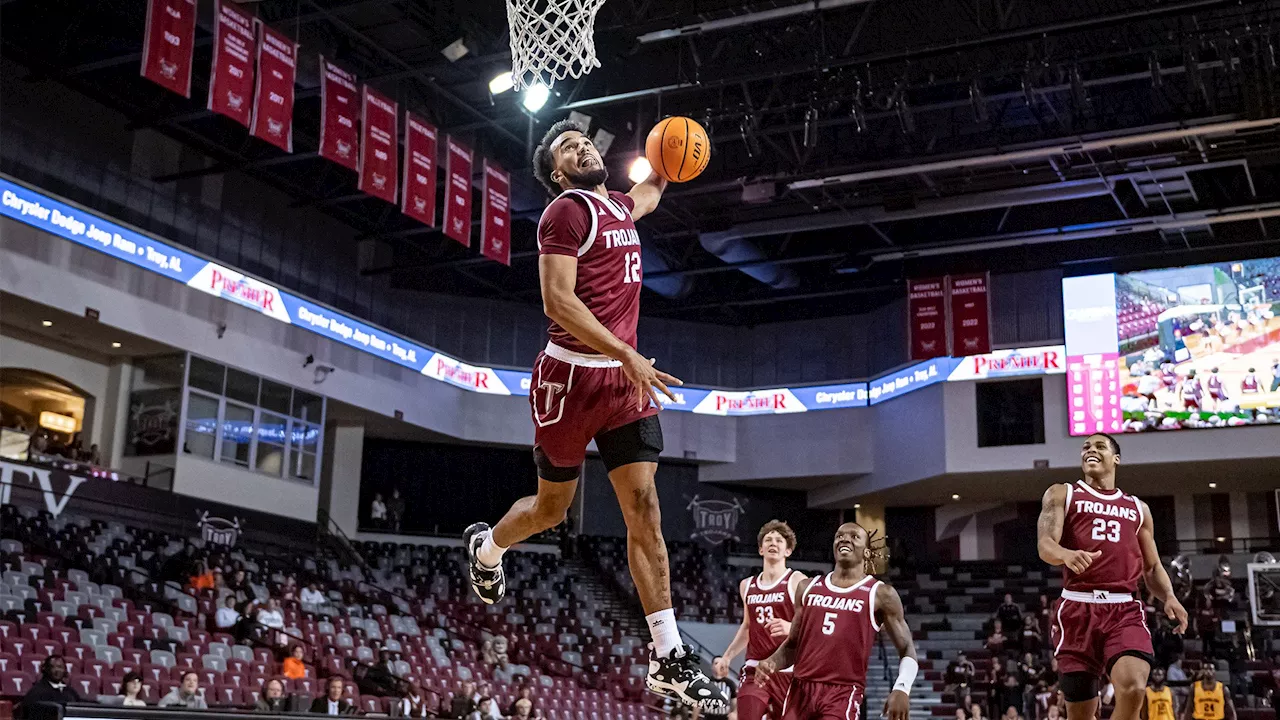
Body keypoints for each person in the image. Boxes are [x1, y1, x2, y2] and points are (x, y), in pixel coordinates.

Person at [461, 118, 725, 712]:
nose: (582, 147)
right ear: (559, 174)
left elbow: (651, 190)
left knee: (646, 510)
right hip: (570, 382)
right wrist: (627, 352)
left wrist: (670, 156)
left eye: (584, 141)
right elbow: (559, 300)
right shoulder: (566, 212)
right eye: (569, 149)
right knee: (551, 510)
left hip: (624, 386)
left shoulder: (621, 209)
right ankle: (487, 549)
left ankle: (668, 657)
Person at [1037, 433, 1188, 720]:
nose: (1090, 450)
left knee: (1133, 688)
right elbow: (1045, 544)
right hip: (1077, 609)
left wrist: (1169, 596)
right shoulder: (1062, 493)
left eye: (1099, 446)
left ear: (1116, 458)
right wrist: (1065, 554)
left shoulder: (1138, 509)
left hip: (1123, 608)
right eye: (1086, 447)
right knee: (1080, 714)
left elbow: (1152, 567)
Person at [755, 522, 918, 720]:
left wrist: (902, 688)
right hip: (800, 690)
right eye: (839, 536)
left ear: (867, 553)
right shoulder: (807, 587)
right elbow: (792, 646)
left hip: (842, 693)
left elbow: (907, 648)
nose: (845, 539)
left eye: (854, 536)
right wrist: (771, 662)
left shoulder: (881, 594)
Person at [718, 520, 809, 720]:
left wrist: (791, 627)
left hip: (788, 671)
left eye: (779, 540)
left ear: (788, 551)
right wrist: (727, 656)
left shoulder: (797, 581)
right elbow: (747, 627)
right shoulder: (747, 585)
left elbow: (814, 624)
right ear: (761, 549)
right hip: (755, 669)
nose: (773, 543)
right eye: (768, 540)